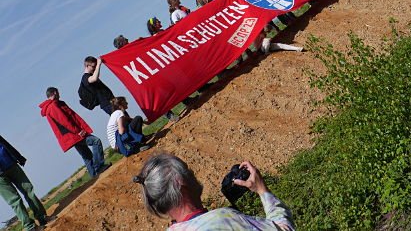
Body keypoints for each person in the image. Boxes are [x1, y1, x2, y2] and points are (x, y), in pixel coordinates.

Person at [134, 153, 295, 230]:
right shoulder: (221, 221)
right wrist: (262, 189)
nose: (192, 174)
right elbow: (284, 229)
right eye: (187, 170)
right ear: (179, 181)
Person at [40, 88, 107, 178]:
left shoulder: (52, 106)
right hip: (74, 135)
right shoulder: (53, 106)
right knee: (96, 141)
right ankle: (99, 167)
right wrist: (78, 131)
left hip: (70, 137)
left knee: (86, 155)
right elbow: (65, 121)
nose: (59, 94)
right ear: (55, 93)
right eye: (58, 92)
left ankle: (94, 176)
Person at [0, 134, 51, 231]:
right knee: (14, 200)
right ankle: (30, 227)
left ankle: (42, 217)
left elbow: (5, 143)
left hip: (10, 163)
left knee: (28, 190)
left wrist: (18, 156)